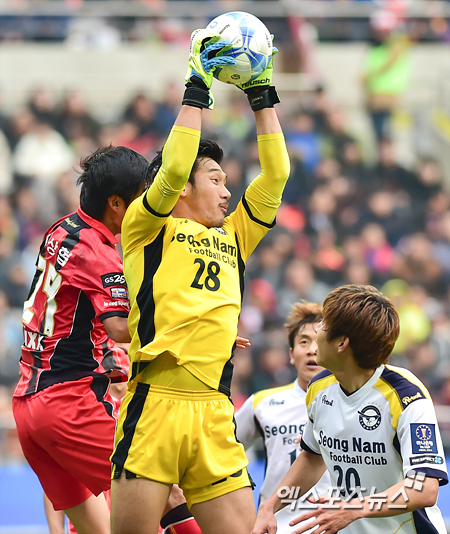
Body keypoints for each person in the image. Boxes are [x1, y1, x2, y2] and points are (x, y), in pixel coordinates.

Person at [109, 27, 290, 534]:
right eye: (216, 179)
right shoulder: (148, 227)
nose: (227, 191)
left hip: (214, 410)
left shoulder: (236, 235)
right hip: (154, 405)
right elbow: (169, 171)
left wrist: (262, 96)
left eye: (227, 182)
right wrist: (197, 86)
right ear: (185, 185)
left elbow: (275, 176)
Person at [11, 146, 204, 534]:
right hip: (69, 403)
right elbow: (119, 327)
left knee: (102, 531)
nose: (152, 204)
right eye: (142, 196)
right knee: (166, 493)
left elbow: (77, 321)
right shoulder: (99, 253)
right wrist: (196, 327)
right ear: (117, 203)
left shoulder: (61, 229)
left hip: (29, 408)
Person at [252, 284, 448, 534]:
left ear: (342, 343)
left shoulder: (406, 396)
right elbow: (312, 457)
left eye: (323, 326)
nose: (315, 336)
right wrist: (269, 507)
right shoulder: (319, 388)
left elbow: (425, 488)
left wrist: (354, 509)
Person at [235, 301, 331, 533]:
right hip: (276, 525)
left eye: (318, 342)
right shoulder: (262, 403)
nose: (311, 350)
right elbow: (221, 446)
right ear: (291, 354)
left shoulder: (351, 403)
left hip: (334, 523)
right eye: (303, 342)